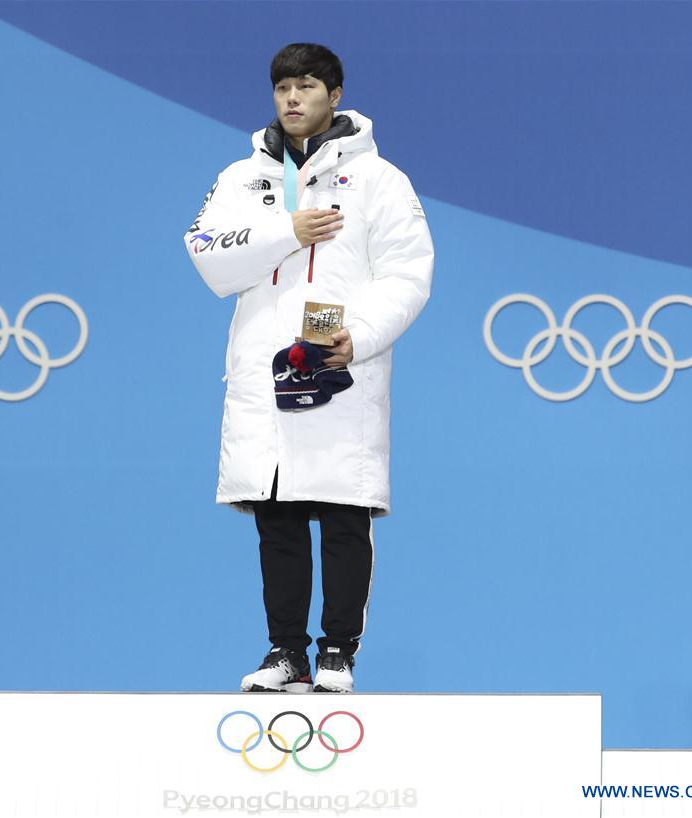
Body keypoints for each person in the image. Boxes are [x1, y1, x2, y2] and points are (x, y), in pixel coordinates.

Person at [184, 43, 434, 693]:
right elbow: (209, 256)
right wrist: (288, 231)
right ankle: (285, 652)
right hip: (263, 368)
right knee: (278, 514)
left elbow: (408, 275)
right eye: (281, 88)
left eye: (305, 86)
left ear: (336, 94)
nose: (292, 99)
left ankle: (338, 652)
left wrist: (362, 334)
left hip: (338, 362)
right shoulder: (243, 178)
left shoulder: (380, 181)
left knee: (343, 510)